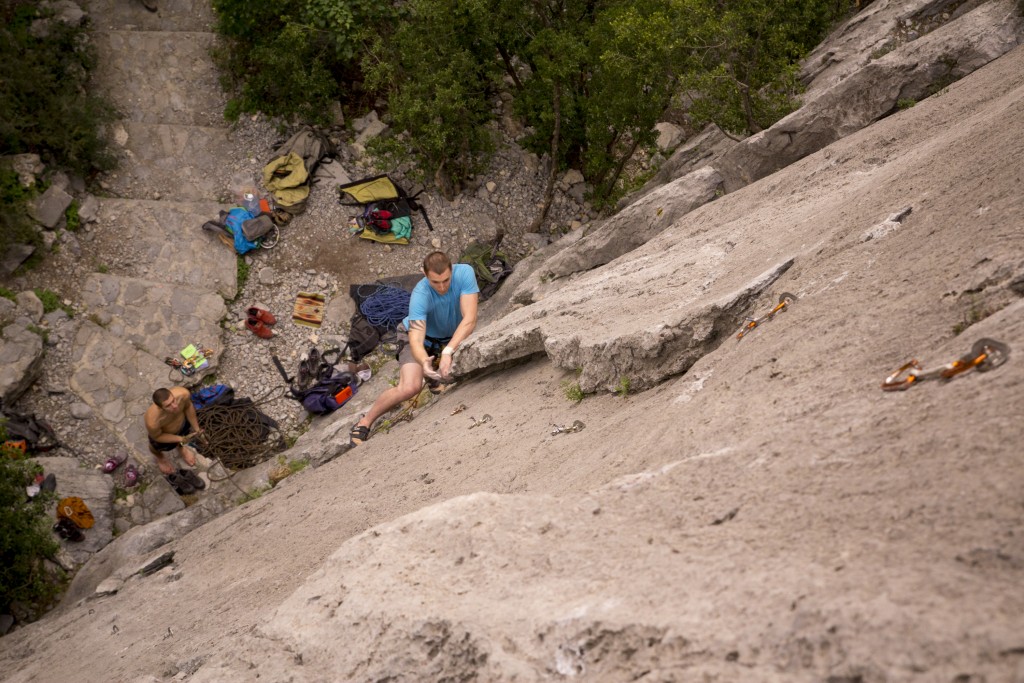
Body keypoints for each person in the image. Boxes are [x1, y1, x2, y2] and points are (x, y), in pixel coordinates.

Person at [349, 251, 479, 447]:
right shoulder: (420, 294)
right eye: (436, 282)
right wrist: (424, 360)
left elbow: (469, 319)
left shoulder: (465, 273)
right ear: (424, 275)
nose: (442, 287)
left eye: (446, 280)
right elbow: (416, 339)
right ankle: (365, 422)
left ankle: (433, 378)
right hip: (419, 338)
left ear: (452, 269)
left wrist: (447, 351)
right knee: (410, 387)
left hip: (445, 338)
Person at [145, 386, 203, 475]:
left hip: (182, 424)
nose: (175, 406)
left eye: (173, 400)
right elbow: (157, 436)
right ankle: (161, 459)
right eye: (168, 405)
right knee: (155, 448)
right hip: (166, 434)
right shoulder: (153, 422)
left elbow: (188, 406)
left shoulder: (183, 394)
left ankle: (181, 449)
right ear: (160, 408)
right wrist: (179, 439)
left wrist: (196, 428)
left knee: (182, 439)